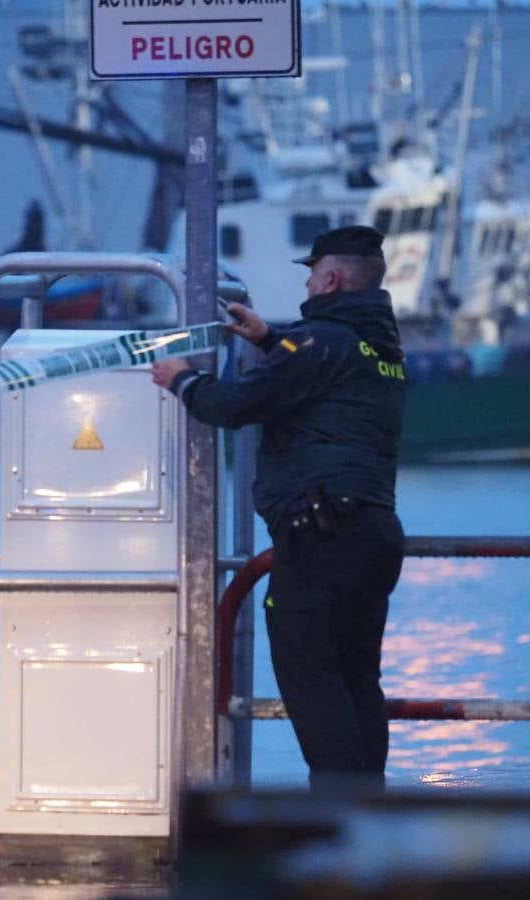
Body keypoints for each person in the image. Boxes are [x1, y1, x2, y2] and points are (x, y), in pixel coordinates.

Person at [150, 225, 406, 790]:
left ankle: (341, 824)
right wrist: (270, 339)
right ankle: (371, 822)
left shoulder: (317, 341)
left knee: (312, 679)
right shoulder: (382, 348)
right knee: (358, 678)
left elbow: (237, 404)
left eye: (312, 273)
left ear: (332, 278)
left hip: (320, 537)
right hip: (375, 535)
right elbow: (322, 377)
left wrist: (183, 380)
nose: (309, 283)